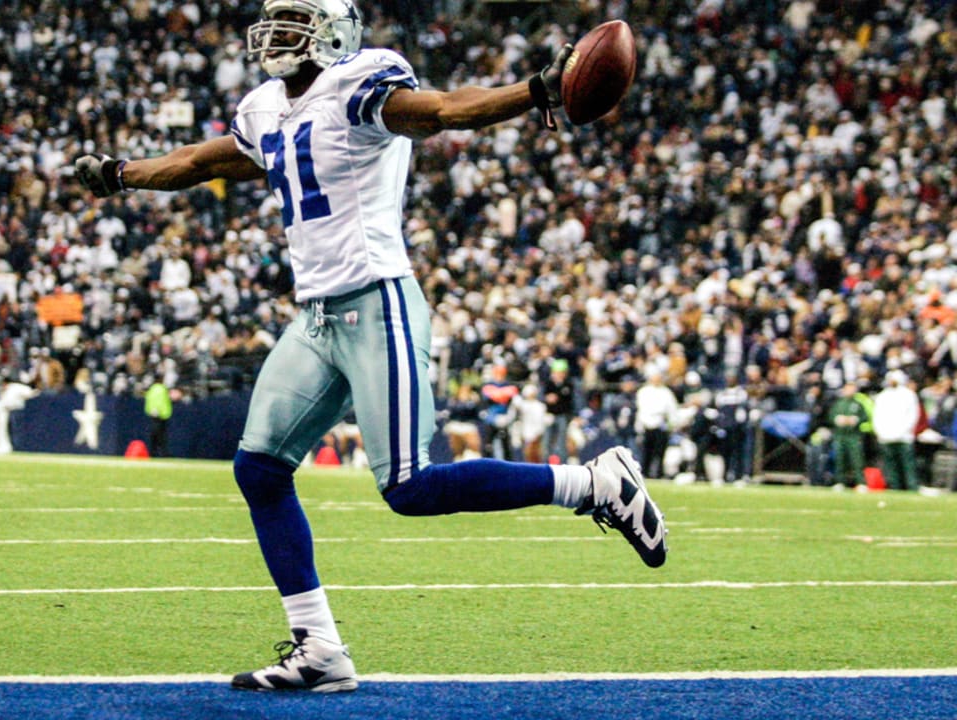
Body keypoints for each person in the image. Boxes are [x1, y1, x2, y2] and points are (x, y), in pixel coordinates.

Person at [74, 0, 666, 693]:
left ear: (331, 30)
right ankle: (319, 649)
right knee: (259, 471)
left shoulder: (363, 82)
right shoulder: (266, 105)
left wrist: (536, 90)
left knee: (410, 487)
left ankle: (596, 483)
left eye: (294, 21)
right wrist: (123, 174)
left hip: (376, 299)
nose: (278, 34)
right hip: (317, 316)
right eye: (277, 21)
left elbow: (445, 111)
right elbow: (199, 159)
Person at [873, 370, 920, 491]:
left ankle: (911, 487)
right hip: (886, 436)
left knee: (907, 464)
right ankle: (894, 486)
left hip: (904, 436)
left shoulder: (909, 395)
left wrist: (905, 430)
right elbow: (877, 415)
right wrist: (880, 432)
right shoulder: (883, 396)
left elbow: (913, 415)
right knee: (890, 465)